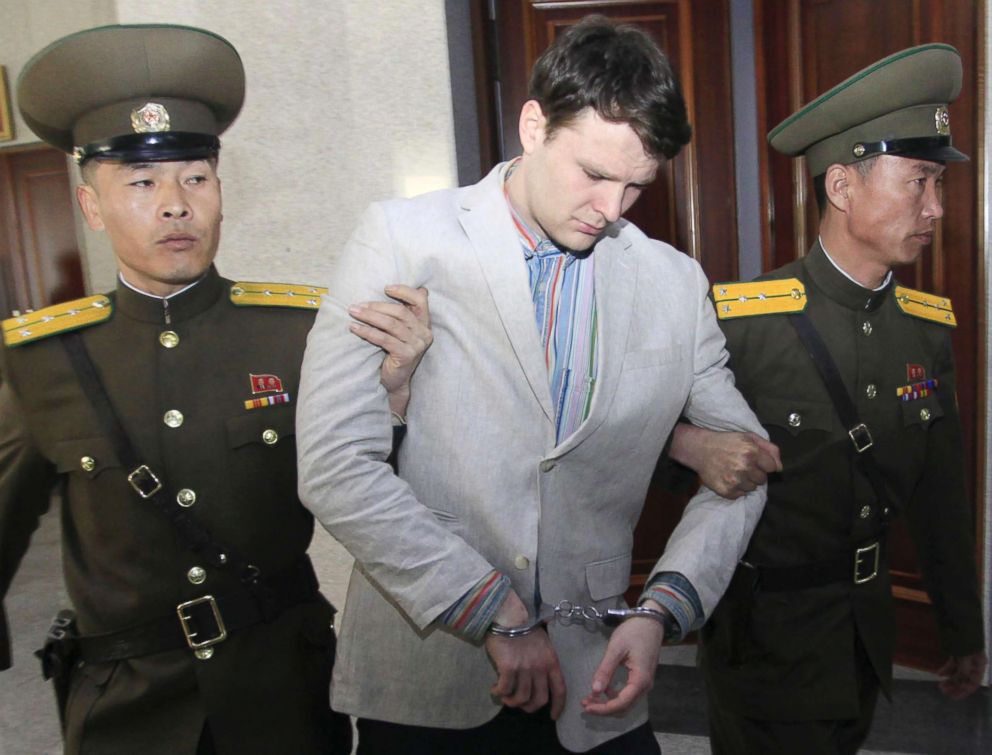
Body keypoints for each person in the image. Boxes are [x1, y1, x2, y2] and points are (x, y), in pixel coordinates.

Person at [296, 16, 777, 754]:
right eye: (593, 173)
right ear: (532, 126)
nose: (611, 211)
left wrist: (661, 609)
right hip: (430, 673)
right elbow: (334, 462)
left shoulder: (673, 283)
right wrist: (494, 609)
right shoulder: (403, 239)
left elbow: (746, 463)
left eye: (635, 186)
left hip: (596, 679)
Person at [0, 24, 432, 754]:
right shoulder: (43, 360)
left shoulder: (299, 332)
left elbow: (378, 493)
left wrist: (395, 400)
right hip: (126, 713)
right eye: (141, 182)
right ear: (91, 206)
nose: (176, 204)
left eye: (195, 177)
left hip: (281, 695)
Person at [668, 43, 987, 754]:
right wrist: (689, 445)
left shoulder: (925, 329)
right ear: (842, 187)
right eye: (919, 182)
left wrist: (962, 629)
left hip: (863, 640)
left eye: (939, 185)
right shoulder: (741, 322)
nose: (935, 207)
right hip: (764, 647)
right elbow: (640, 446)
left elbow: (941, 494)